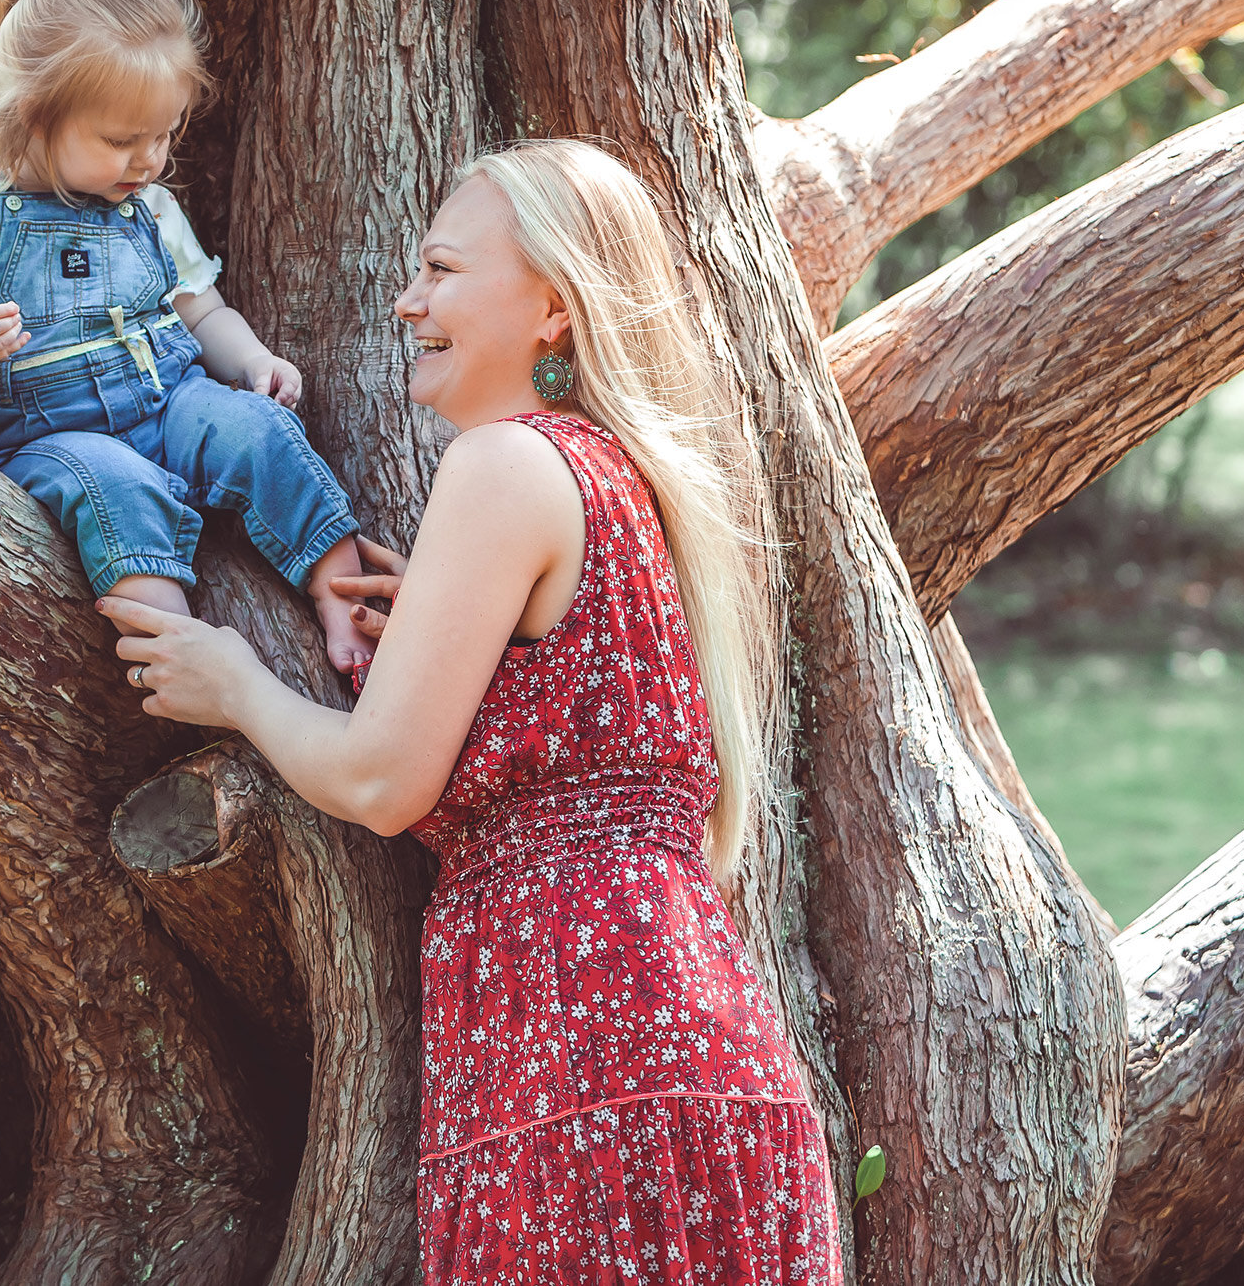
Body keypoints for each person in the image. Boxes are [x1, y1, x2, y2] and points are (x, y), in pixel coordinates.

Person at [106, 140, 843, 1283]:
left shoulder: (503, 463)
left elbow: (378, 780)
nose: (408, 299)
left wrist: (235, 684)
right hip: (679, 1056)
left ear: (553, 304)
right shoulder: (614, 476)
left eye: (442, 268)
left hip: (582, 1069)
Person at [0, 0, 372, 674]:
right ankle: (173, 647)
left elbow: (202, 312)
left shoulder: (151, 208)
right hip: (41, 433)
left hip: (169, 399)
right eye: (123, 140)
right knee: (112, 485)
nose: (150, 160)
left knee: (259, 429)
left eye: (165, 133)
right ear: (34, 116)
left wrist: (252, 361)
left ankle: (343, 593)